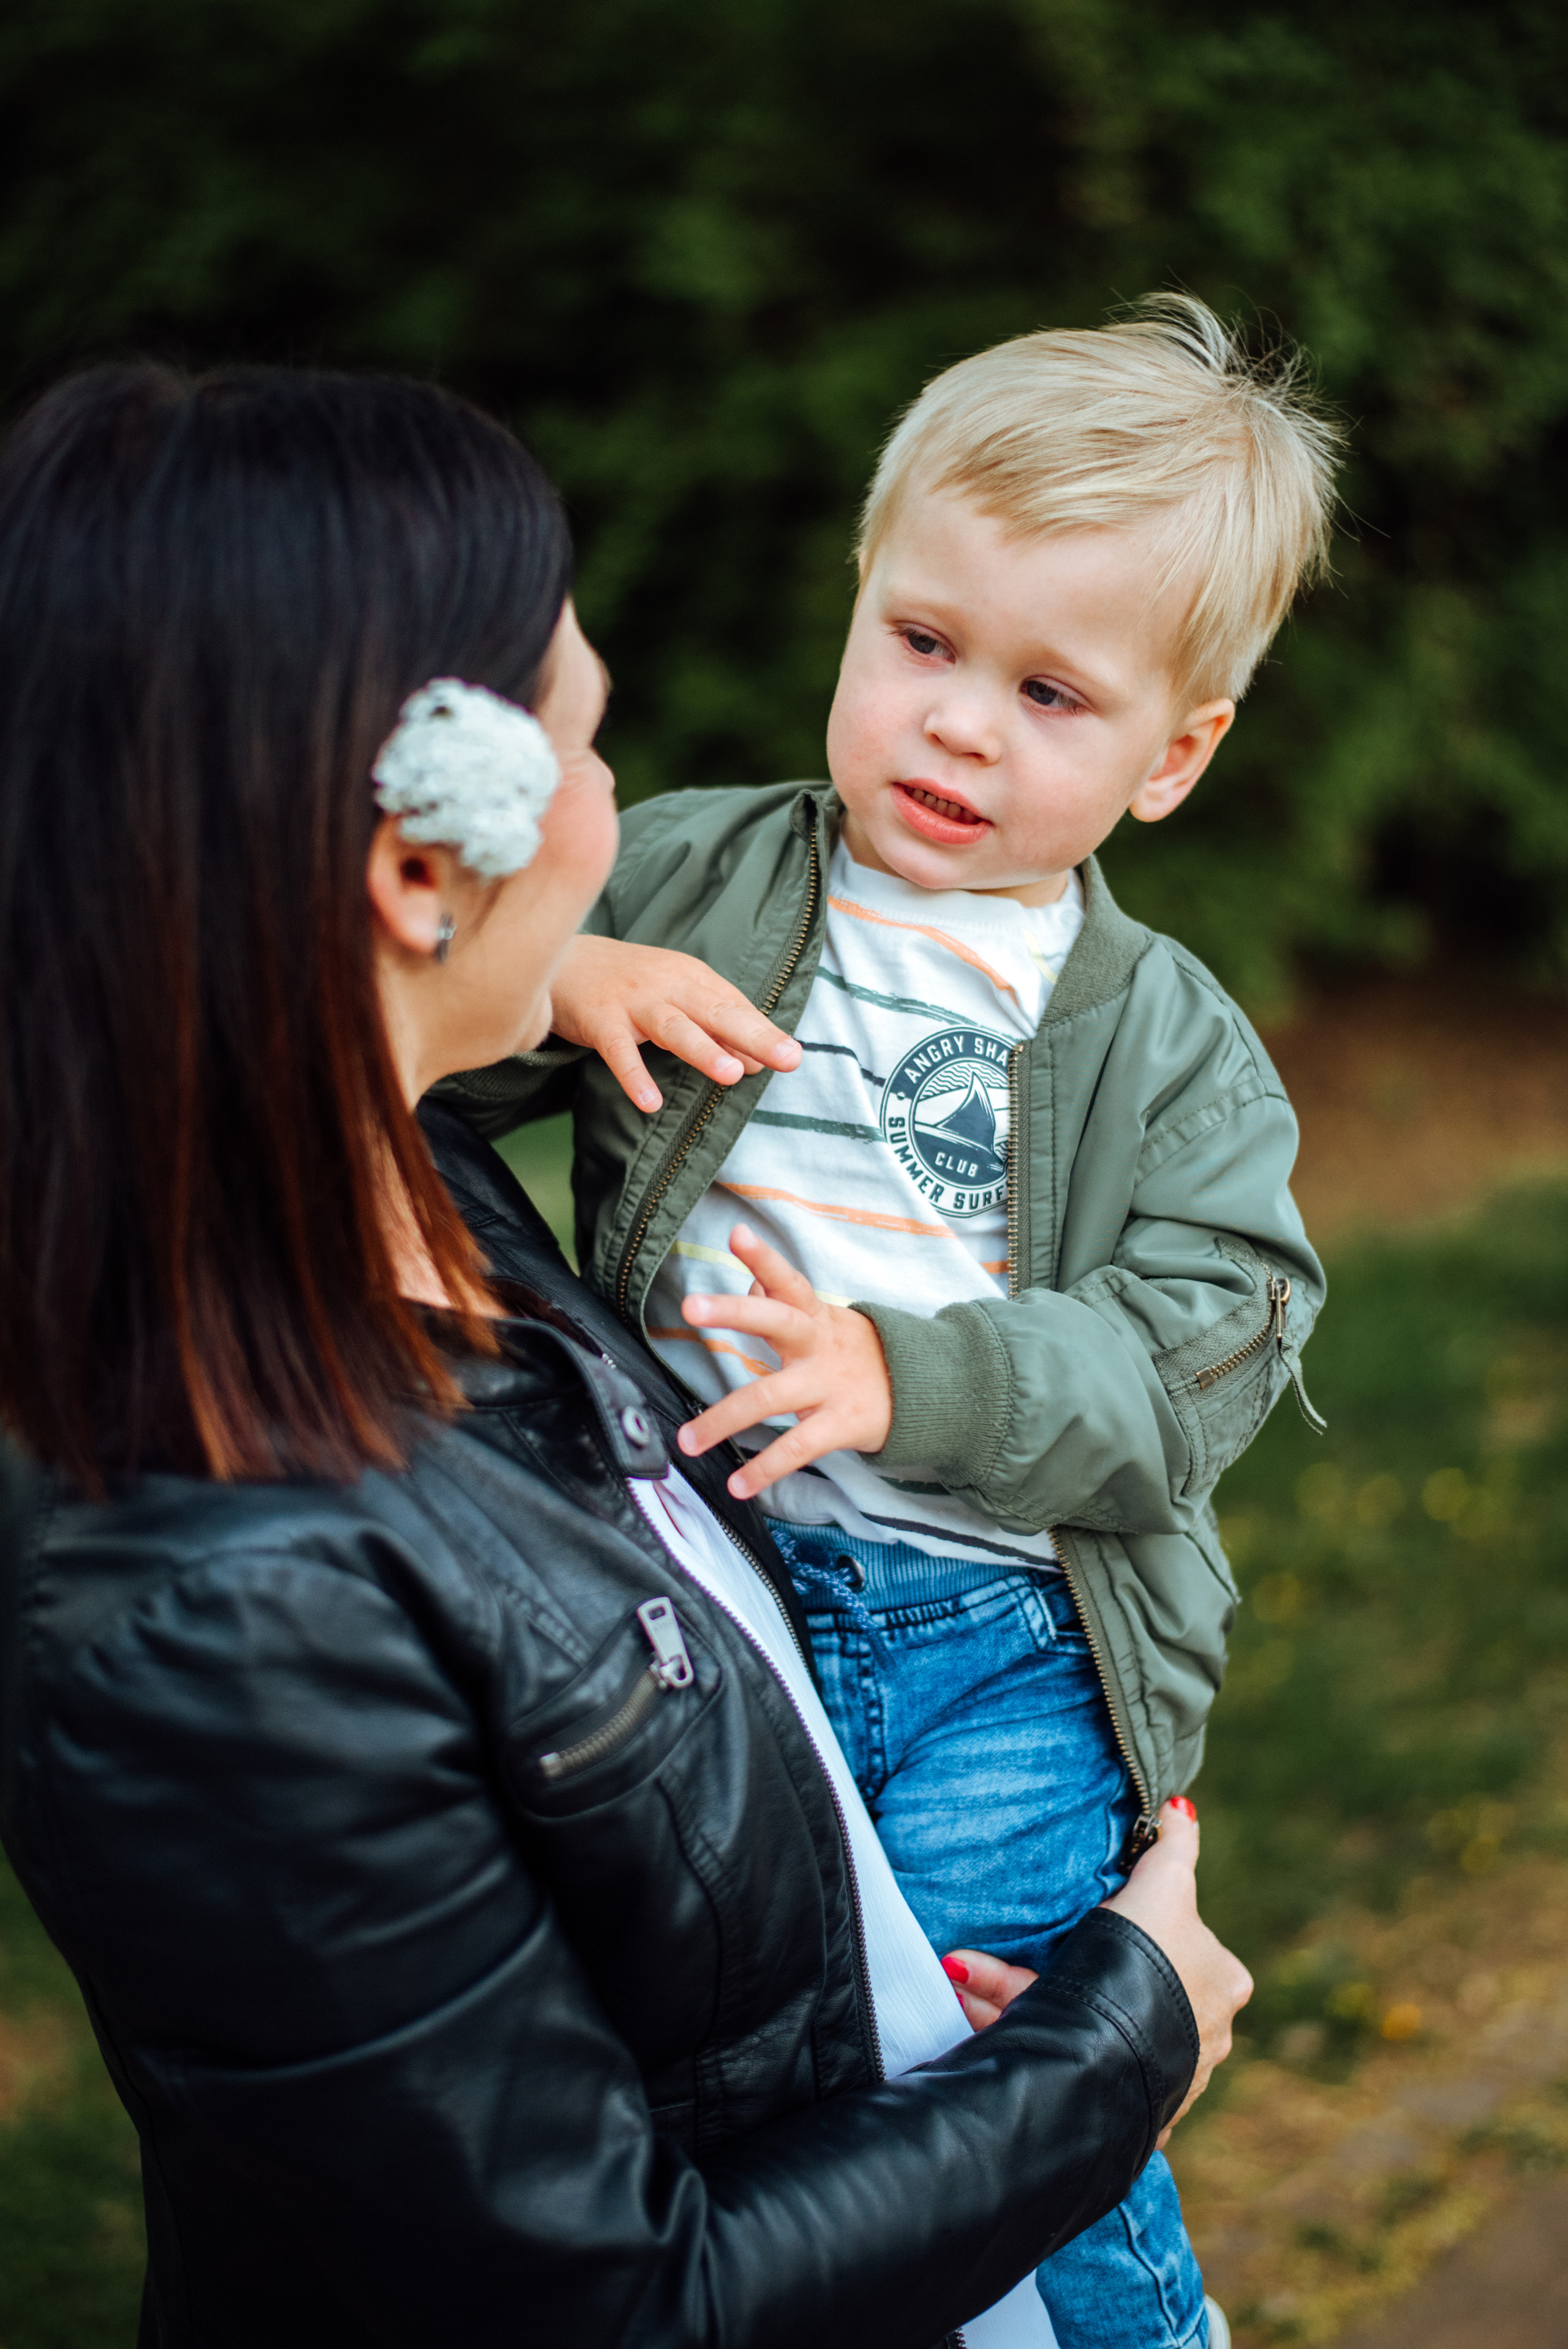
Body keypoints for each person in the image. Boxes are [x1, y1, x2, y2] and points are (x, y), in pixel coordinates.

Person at [0, 360, 1251, 2349]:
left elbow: (1209, 1333)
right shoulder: (223, 1596)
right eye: (585, 745)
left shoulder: (419, 1200)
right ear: (423, 871)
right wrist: (1120, 2040)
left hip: (969, 1704)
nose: (619, 813)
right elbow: (602, 2297)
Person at [438, 295, 1334, 2349]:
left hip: (996, 1645)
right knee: (759, 2073)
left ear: (1172, 754)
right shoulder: (693, 875)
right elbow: (409, 1070)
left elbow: (1208, 1341)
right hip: (709, 1593)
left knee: (1019, 2065)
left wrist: (904, 1374)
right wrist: (559, 979)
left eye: (1051, 694)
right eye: (925, 644)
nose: (959, 726)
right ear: (859, 604)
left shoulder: (1157, 1035)